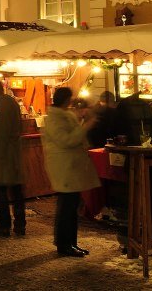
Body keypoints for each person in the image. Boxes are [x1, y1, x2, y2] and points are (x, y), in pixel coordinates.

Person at [42, 87, 100, 257]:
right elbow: (67, 140)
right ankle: (64, 244)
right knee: (66, 207)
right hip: (64, 168)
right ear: (66, 99)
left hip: (71, 167)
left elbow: (74, 136)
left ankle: (71, 243)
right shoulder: (54, 118)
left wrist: (83, 121)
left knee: (71, 206)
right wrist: (86, 126)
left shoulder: (64, 115)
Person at [0, 77, 26, 237]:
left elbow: (2, 133)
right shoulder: (11, 102)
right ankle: (20, 225)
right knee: (16, 192)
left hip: (6, 156)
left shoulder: (3, 104)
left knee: (2, 191)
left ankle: (4, 226)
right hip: (14, 154)